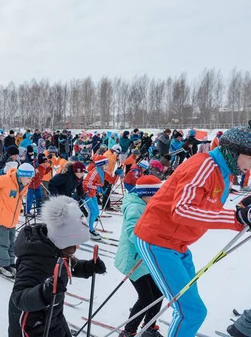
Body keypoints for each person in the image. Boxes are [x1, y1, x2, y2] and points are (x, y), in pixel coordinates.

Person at [135, 125, 251, 337]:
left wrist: (244, 207)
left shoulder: (224, 172)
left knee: (193, 310)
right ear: (234, 152)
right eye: (250, 157)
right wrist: (237, 218)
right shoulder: (204, 166)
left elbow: (208, 206)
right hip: (157, 240)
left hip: (178, 245)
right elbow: (182, 211)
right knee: (191, 312)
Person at [9, 195, 106, 337]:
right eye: (72, 247)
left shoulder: (55, 247)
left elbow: (66, 265)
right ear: (62, 240)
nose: (76, 248)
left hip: (53, 313)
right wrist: (44, 292)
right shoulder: (35, 259)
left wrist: (87, 267)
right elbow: (18, 298)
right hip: (32, 323)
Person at [115, 175, 164, 337]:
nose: (158, 198)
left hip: (146, 258)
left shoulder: (147, 203)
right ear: (146, 193)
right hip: (134, 258)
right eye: (155, 195)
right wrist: (152, 242)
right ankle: (128, 332)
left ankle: (149, 327)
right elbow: (132, 233)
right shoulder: (135, 208)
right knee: (146, 298)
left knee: (158, 293)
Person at [0, 163, 33, 277]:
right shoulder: (6, 180)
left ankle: (11, 263)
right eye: (29, 178)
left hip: (12, 219)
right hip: (1, 217)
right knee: (3, 243)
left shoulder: (23, 185)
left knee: (12, 243)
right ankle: (4, 265)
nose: (30, 181)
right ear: (22, 175)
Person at [83, 155, 113, 240]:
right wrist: (98, 187)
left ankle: (90, 228)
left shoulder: (103, 173)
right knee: (92, 212)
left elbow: (111, 180)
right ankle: (89, 230)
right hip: (87, 193)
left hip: (93, 194)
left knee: (96, 212)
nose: (108, 166)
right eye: (106, 165)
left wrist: (118, 174)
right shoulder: (94, 172)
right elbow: (86, 184)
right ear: (101, 165)